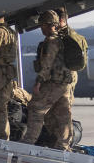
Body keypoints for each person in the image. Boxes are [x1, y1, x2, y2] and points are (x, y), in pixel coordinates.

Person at [21, 10, 73, 149]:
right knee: (63, 115)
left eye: (42, 25)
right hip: (65, 84)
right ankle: (63, 145)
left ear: (46, 25)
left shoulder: (51, 41)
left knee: (35, 107)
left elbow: (47, 64)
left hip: (54, 83)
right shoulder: (60, 39)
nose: (41, 29)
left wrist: (38, 82)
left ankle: (29, 141)